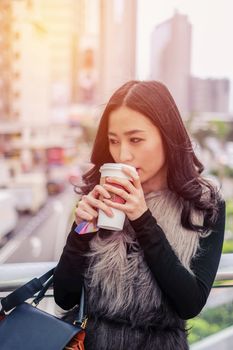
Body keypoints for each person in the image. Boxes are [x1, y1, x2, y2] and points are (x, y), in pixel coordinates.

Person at [53, 80, 225, 350]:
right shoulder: (100, 194)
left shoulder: (203, 205)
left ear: (167, 137)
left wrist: (142, 219)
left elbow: (190, 303)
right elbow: (64, 297)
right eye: (113, 141)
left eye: (135, 139)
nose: (123, 154)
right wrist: (81, 230)